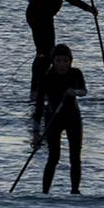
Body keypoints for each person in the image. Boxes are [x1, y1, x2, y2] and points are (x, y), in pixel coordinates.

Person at [27, 0, 95, 138]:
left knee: (46, 53)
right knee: (44, 54)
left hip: (44, 15)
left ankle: (38, 90)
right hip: (38, 15)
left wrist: (87, 8)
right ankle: (36, 92)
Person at [36, 44, 88, 195]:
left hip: (73, 118)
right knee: (53, 157)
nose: (62, 64)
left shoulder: (76, 73)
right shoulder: (47, 77)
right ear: (53, 61)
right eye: (58, 61)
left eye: (65, 61)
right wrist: (36, 132)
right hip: (53, 118)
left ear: (70, 61)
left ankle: (74, 191)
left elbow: (84, 91)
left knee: (75, 157)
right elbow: (39, 106)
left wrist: (75, 92)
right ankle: (45, 193)